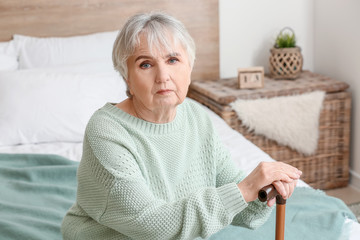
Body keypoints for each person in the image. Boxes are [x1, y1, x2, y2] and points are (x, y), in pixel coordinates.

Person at [61, 12, 301, 240]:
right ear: (127, 79)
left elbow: (242, 206)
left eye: (173, 59)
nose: (163, 76)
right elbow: (151, 225)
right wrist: (245, 188)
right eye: (146, 64)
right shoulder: (106, 130)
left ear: (189, 68)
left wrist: (264, 189)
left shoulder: (197, 117)